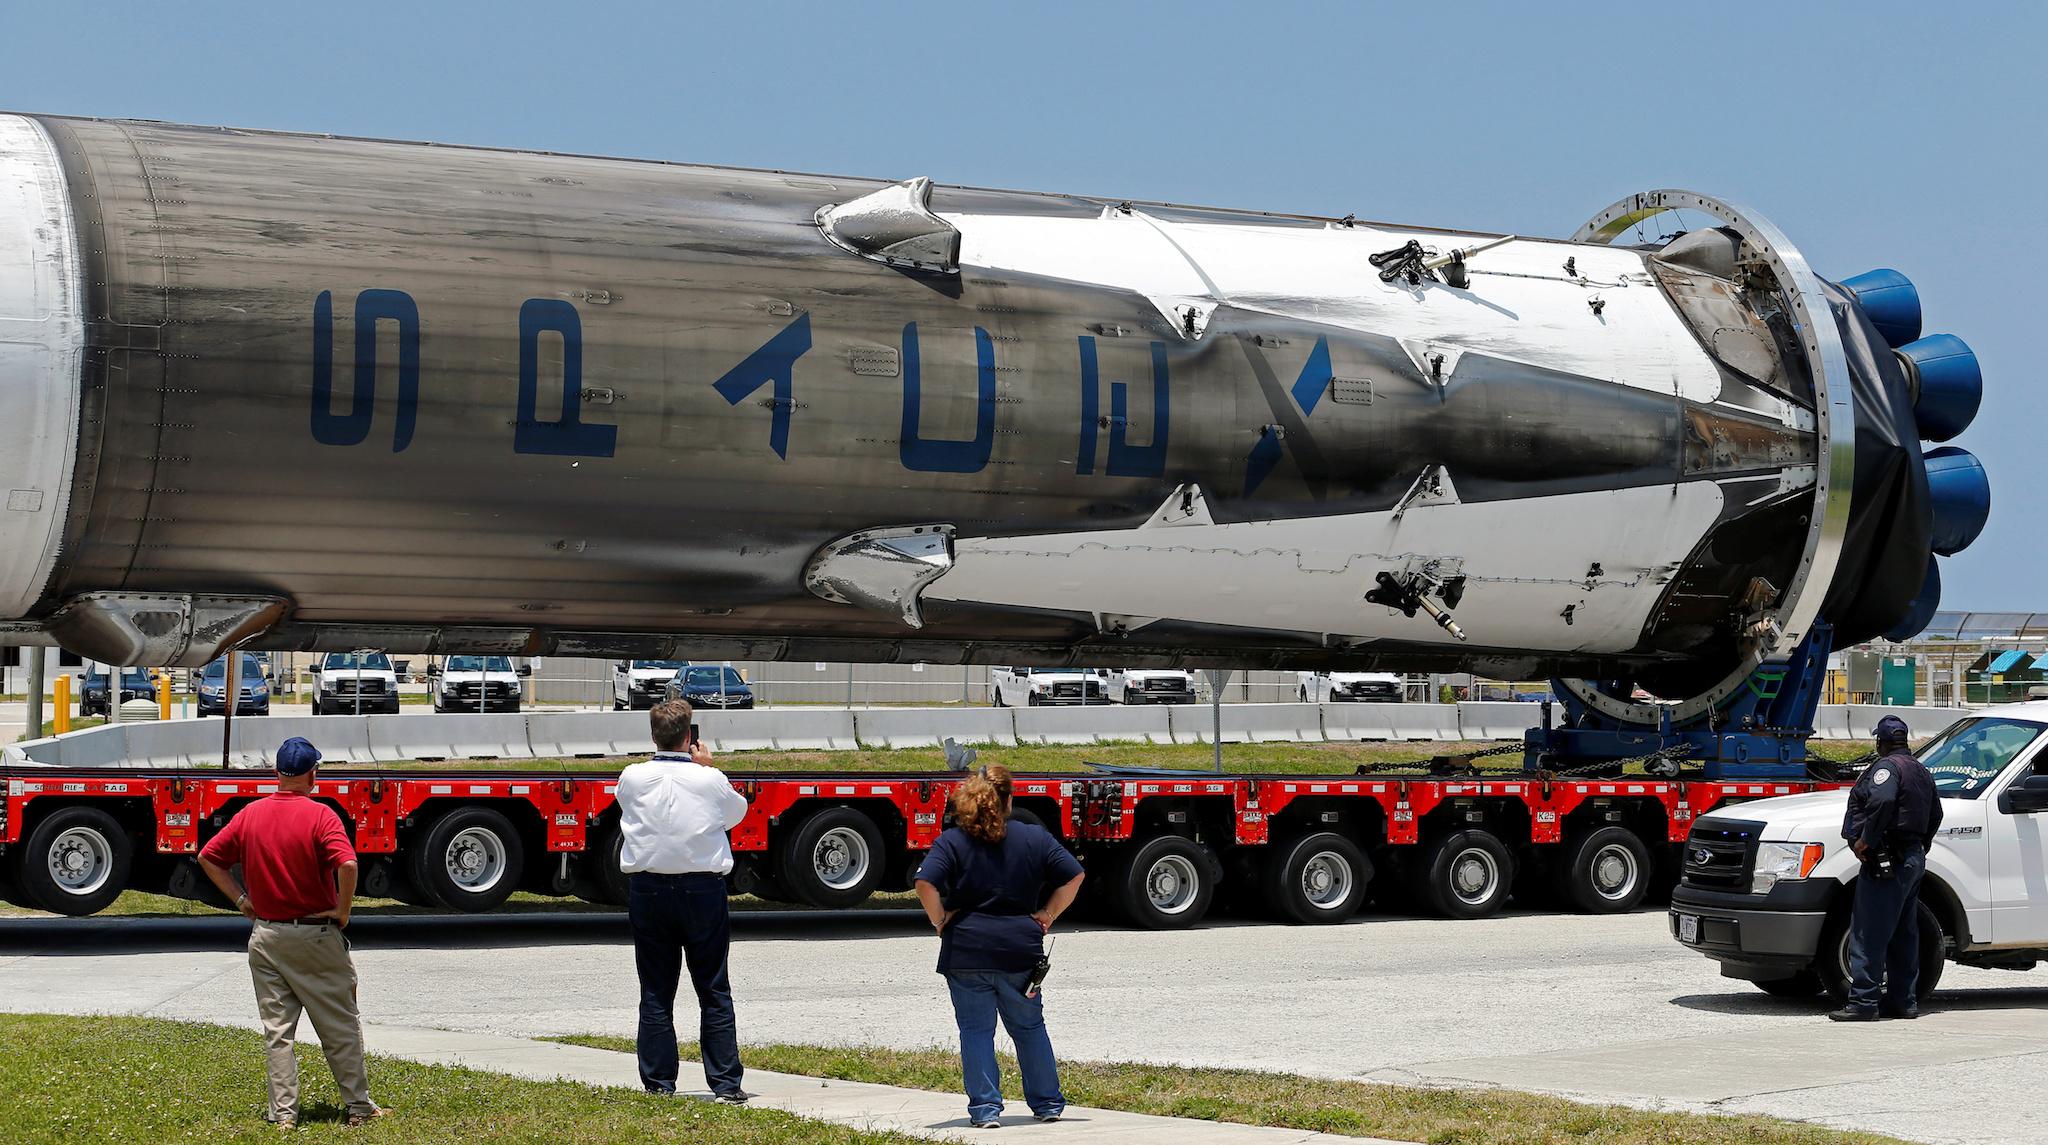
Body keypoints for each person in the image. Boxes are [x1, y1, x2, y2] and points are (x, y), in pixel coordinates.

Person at [197, 736, 387, 1129]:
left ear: (276, 774)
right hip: (315, 936)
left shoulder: (250, 814)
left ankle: (283, 1116)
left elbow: (208, 857)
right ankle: (358, 1107)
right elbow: (347, 865)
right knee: (339, 1026)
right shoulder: (322, 816)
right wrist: (343, 910)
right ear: (312, 775)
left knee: (278, 1033)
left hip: (266, 936)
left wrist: (240, 900)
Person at [915, 765, 1085, 1128]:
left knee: (976, 1031)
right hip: (1020, 950)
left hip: (966, 950)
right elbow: (1074, 874)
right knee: (1028, 1027)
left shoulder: (953, 841)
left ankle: (986, 1110)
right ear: (1008, 799)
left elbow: (925, 884)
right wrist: (1047, 913)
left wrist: (940, 920)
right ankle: (1047, 1104)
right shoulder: (1034, 838)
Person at [616, 697, 751, 1101]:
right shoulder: (709, 779)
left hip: (649, 887)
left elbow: (627, 805)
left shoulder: (633, 776)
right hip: (702, 888)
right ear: (690, 737)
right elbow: (736, 814)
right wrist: (708, 769)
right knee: (713, 988)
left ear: (653, 735)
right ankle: (725, 1084)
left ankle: (659, 1082)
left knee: (656, 989)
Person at [1830, 714, 1944, 1021]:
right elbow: (1936, 813)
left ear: (1880, 742)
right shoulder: (1920, 770)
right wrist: (1921, 845)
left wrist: (1867, 839)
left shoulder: (1886, 768)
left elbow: (1881, 802)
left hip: (1887, 859)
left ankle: (1864, 1003)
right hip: (1911, 858)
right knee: (1904, 934)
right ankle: (1903, 1002)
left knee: (1869, 931)